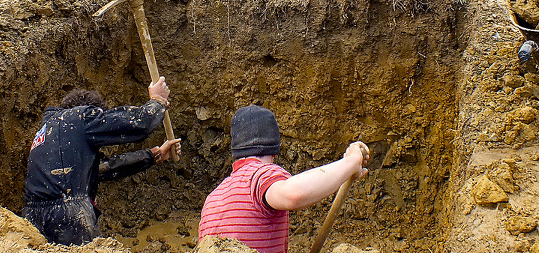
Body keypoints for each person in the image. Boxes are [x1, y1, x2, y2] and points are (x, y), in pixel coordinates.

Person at [22, 78, 182, 246]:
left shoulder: (49, 131)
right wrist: (157, 101)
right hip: (68, 215)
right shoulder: (81, 116)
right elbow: (138, 123)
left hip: (32, 218)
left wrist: (154, 155)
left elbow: (103, 169)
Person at [198, 105, 370, 253]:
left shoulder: (213, 198)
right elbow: (293, 195)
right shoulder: (260, 176)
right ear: (274, 150)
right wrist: (351, 162)